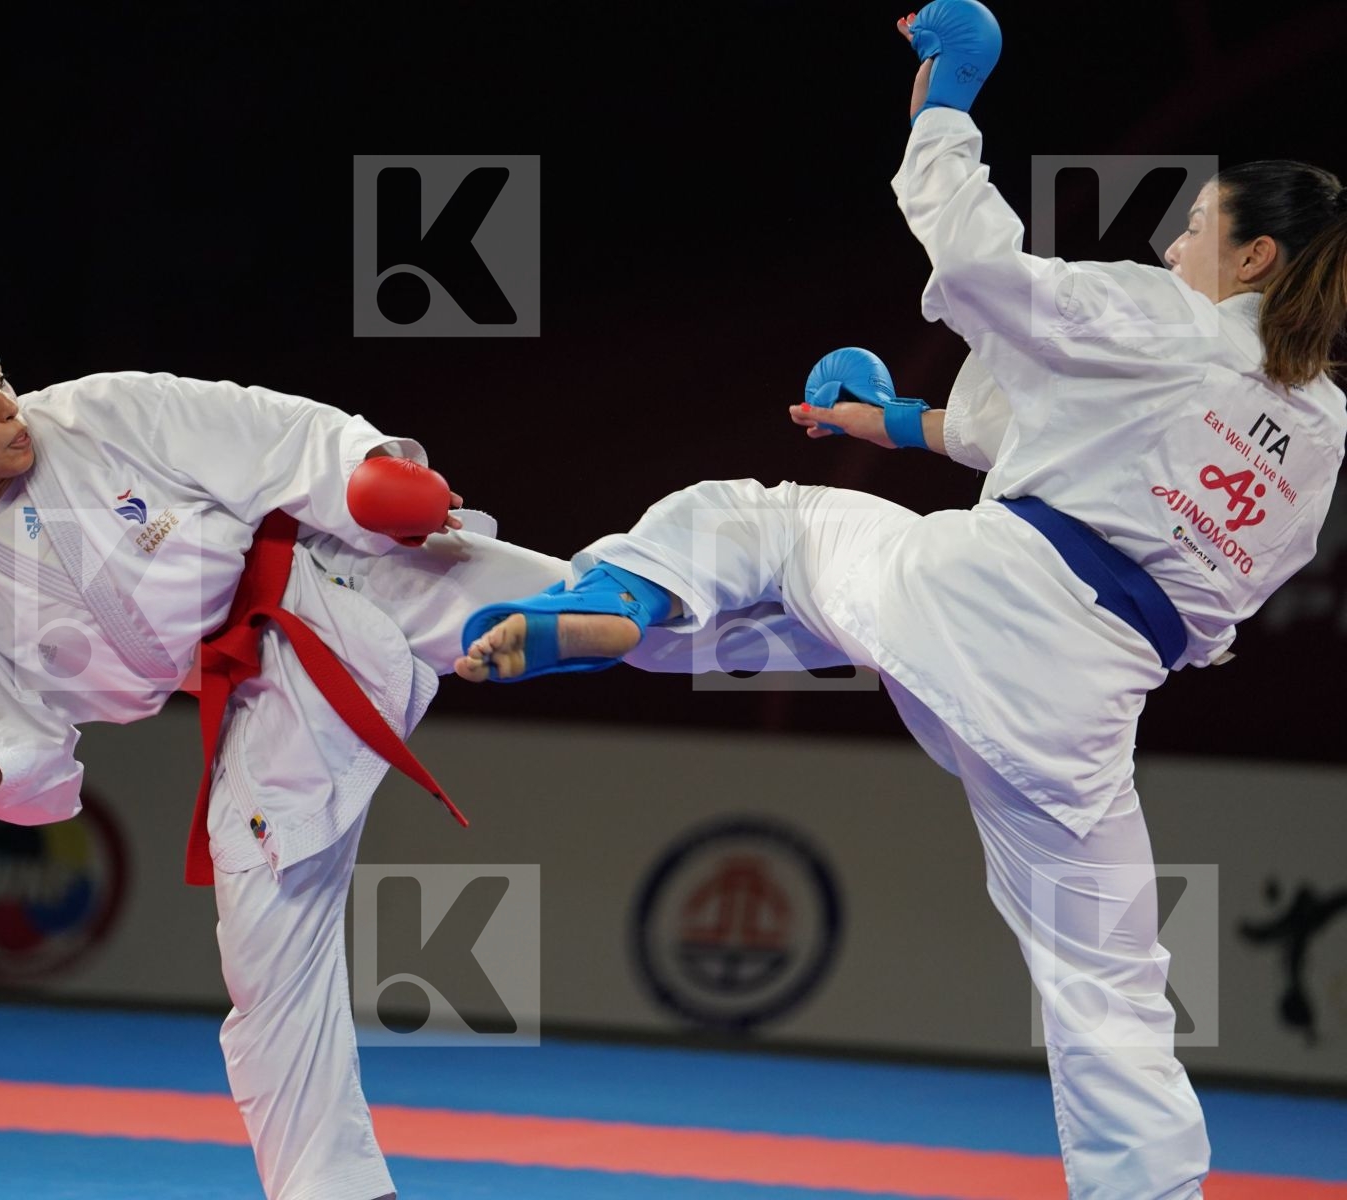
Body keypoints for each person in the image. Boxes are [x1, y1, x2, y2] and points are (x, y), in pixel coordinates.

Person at [456, 3, 1346, 1197]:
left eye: (1196, 230)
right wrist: (889, 422)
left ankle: (626, 594)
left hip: (979, 594)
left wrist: (946, 102)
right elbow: (1068, 437)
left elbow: (981, 269)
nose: (1174, 246)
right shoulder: (1322, 432)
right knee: (1111, 987)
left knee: (770, 525)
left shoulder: (1169, 320)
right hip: (1083, 717)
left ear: (1254, 261)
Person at [0, 313, 579, 1200]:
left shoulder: (100, 415)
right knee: (264, 950)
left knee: (593, 609)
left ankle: (765, 564)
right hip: (263, 693)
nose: (10, 409)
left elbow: (271, 431)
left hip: (335, 569)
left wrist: (363, 478)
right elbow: (40, 781)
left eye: (1, 378)